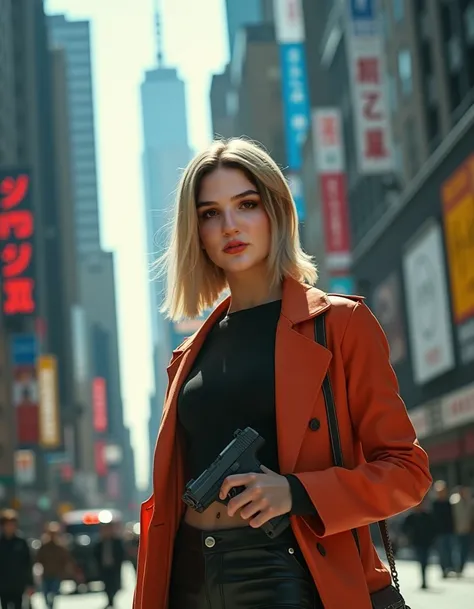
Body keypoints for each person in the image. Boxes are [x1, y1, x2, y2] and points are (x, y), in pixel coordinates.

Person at [133, 138, 432, 609]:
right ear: (198, 234)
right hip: (189, 579)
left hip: (290, 572)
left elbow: (407, 471)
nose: (230, 225)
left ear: (276, 211)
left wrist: (294, 492)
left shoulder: (340, 325)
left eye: (246, 204)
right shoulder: (188, 354)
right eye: (210, 213)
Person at [0, 510, 34, 609]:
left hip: (18, 584)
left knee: (18, 605)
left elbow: (28, 563)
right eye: (8, 524)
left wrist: (30, 583)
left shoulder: (21, 542)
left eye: (12, 524)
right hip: (3, 584)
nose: (10, 527)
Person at [36, 521, 75, 608]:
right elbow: (38, 559)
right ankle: (48, 604)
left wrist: (66, 570)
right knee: (46, 593)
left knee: (54, 592)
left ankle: (51, 605)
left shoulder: (60, 547)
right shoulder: (44, 546)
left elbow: (66, 559)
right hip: (46, 573)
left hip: (56, 574)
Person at [402, 501, 437, 589]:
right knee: (421, 560)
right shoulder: (410, 517)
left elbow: (433, 528)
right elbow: (404, 528)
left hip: (426, 542)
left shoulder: (427, 516)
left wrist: (432, 539)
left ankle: (424, 580)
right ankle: (423, 580)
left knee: (424, 561)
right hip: (416, 542)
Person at [93, 523, 125, 608]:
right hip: (104, 567)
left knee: (115, 585)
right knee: (107, 585)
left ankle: (112, 599)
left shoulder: (116, 542)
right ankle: (110, 600)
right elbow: (95, 555)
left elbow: (121, 554)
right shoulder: (100, 543)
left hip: (114, 567)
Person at [432, 479, 455, 577]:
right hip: (439, 532)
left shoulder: (448, 503)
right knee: (442, 552)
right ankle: (443, 569)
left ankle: (450, 568)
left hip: (449, 531)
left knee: (450, 550)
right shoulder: (434, 504)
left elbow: (453, 517)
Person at [451, 485, 474, 576]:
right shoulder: (454, 502)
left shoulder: (470, 503)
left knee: (465, 550)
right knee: (457, 549)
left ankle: (461, 567)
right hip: (457, 529)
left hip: (468, 530)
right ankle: (456, 566)